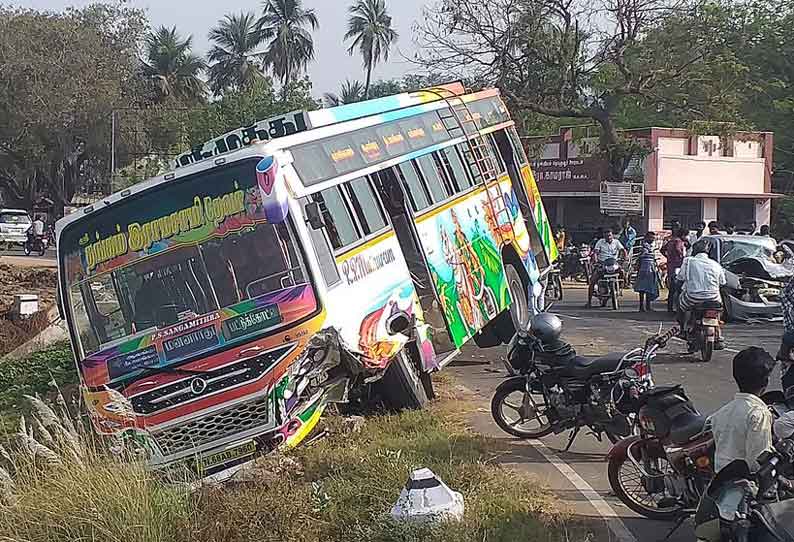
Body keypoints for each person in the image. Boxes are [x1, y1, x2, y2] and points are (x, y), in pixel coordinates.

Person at [709, 347, 776, 473]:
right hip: (744, 484)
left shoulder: (721, 413)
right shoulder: (758, 413)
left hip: (721, 480)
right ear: (766, 382)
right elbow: (758, 461)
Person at [677, 239, 726, 348]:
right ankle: (719, 335)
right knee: (718, 311)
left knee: (680, 303)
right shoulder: (716, 264)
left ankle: (683, 329)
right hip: (713, 298)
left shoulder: (688, 261)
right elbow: (723, 282)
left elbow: (680, 277)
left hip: (692, 297)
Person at [586, 228, 626, 308]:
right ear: (604, 236)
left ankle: (622, 286)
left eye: (610, 235)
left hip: (614, 262)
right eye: (606, 236)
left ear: (612, 235)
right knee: (593, 281)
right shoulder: (600, 242)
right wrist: (596, 260)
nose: (608, 237)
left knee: (623, 273)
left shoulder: (616, 242)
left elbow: (622, 250)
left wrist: (624, 257)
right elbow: (596, 252)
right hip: (603, 263)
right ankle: (589, 301)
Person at [663, 228, 687, 313]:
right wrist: (682, 257)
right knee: (678, 288)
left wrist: (669, 257)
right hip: (677, 267)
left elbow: (662, 249)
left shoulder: (671, 241)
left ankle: (670, 308)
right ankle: (678, 308)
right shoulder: (678, 241)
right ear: (683, 235)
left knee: (672, 290)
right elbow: (677, 249)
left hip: (671, 266)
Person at [634, 231, 659, 312]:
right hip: (644, 268)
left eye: (653, 238)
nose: (652, 239)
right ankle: (642, 306)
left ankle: (647, 306)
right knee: (643, 289)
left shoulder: (651, 246)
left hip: (651, 267)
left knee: (649, 288)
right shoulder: (644, 247)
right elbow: (641, 257)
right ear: (646, 238)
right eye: (651, 238)